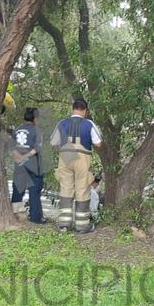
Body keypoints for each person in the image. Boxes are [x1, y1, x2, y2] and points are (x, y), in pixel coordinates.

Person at [50, 98, 103, 233]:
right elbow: (98, 143)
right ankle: (82, 225)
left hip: (65, 157)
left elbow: (53, 142)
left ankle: (64, 224)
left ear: (72, 109)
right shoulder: (89, 124)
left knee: (66, 189)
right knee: (82, 189)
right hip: (82, 158)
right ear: (85, 111)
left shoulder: (62, 123)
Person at [11, 107, 45, 224]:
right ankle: (35, 219)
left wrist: (19, 157)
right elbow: (36, 149)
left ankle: (15, 217)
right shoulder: (37, 131)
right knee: (34, 192)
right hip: (33, 166)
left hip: (19, 165)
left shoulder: (17, 130)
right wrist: (25, 156)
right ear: (35, 119)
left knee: (17, 191)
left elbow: (12, 147)